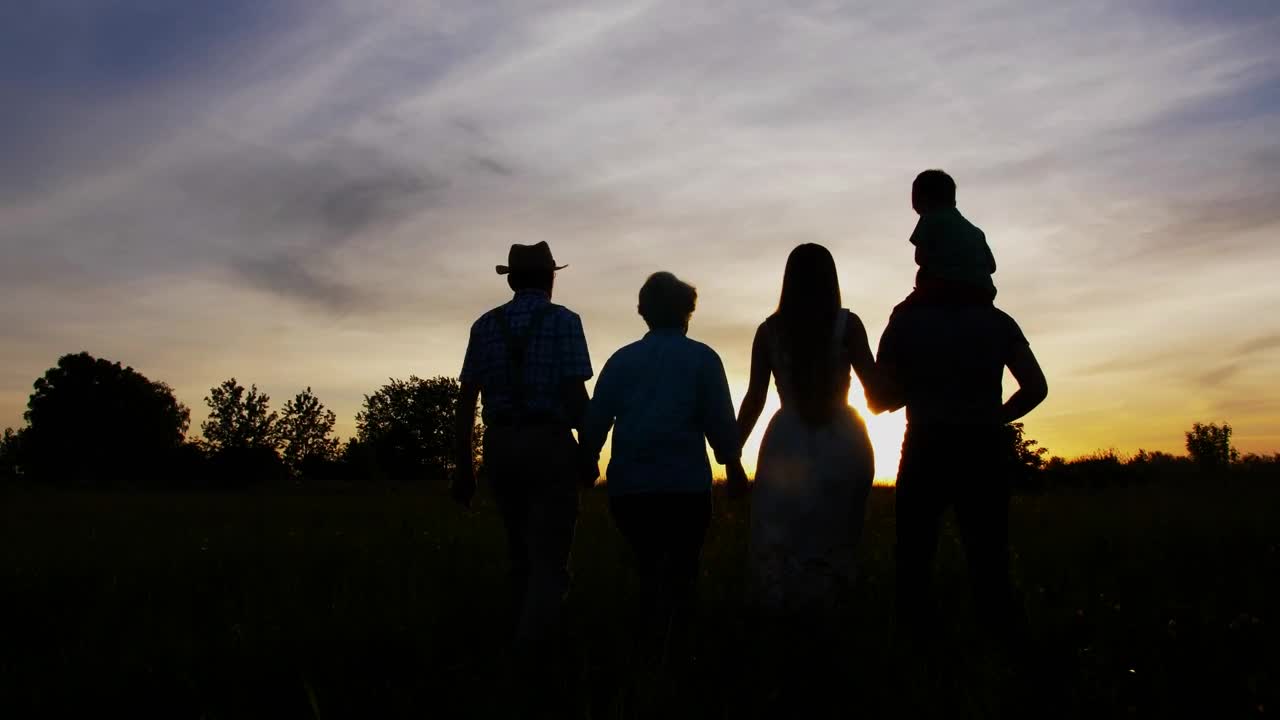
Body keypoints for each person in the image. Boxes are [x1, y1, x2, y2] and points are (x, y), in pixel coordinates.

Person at [580, 272, 747, 658]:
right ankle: (679, 650)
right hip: (685, 487)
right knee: (684, 571)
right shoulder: (703, 359)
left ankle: (648, 647)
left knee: (647, 569)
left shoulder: (622, 360)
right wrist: (734, 467)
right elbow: (720, 420)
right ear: (687, 312)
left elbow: (597, 418)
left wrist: (587, 458)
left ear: (643, 312)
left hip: (631, 489)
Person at [874, 295, 1048, 643]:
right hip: (983, 450)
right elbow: (1035, 387)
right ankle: (1003, 650)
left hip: (926, 447)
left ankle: (914, 651)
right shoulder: (998, 321)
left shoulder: (906, 320)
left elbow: (882, 399)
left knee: (914, 558)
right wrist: (994, 416)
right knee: (990, 558)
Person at [452, 241, 595, 657]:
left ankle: (515, 638)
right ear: (551, 278)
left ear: (512, 280)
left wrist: (465, 467)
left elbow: (465, 403)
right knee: (550, 559)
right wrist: (589, 453)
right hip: (549, 444)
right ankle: (531, 657)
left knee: (519, 554)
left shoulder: (484, 326)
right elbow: (575, 394)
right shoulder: (565, 321)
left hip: (499, 446)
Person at [736, 244, 883, 612]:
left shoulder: (769, 331)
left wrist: (730, 453)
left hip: (787, 438)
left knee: (783, 532)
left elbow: (755, 398)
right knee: (838, 532)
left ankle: (781, 613)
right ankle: (835, 610)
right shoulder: (848, 325)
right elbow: (877, 391)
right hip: (844, 438)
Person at [905, 169, 997, 305]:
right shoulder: (976, 231)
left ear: (922, 199)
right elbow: (992, 266)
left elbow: (920, 258)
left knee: (900, 314)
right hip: (983, 293)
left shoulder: (930, 219)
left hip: (944, 292)